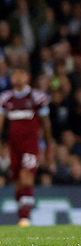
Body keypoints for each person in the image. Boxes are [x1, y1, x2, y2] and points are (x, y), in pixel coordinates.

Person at [0, 66, 55, 226]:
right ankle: (22, 214)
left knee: (26, 176)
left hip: (31, 145)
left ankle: (25, 216)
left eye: (20, 74)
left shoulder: (38, 97)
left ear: (28, 77)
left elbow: (46, 124)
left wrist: (49, 145)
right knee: (17, 180)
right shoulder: (5, 98)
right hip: (13, 145)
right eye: (14, 74)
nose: (16, 77)